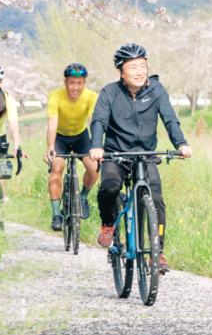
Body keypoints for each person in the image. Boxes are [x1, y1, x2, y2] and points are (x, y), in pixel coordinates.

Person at [89, 42, 191, 272]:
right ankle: (107, 224)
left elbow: (170, 119)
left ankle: (158, 251)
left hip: (145, 156)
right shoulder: (109, 93)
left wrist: (181, 143)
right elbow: (99, 121)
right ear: (121, 71)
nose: (139, 71)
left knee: (156, 199)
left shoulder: (156, 90)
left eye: (143, 66)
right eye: (133, 67)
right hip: (117, 155)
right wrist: (97, 145)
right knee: (109, 187)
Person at [45, 62, 100, 231]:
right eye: (71, 83)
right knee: (57, 168)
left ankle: (82, 197)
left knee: (94, 167)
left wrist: (97, 145)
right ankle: (56, 215)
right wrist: (50, 147)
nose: (75, 87)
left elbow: (93, 121)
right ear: (65, 82)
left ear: (84, 83)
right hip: (60, 138)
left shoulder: (91, 96)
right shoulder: (55, 96)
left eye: (79, 83)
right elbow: (52, 123)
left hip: (81, 137)